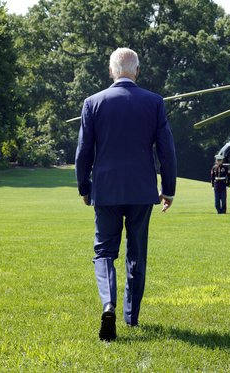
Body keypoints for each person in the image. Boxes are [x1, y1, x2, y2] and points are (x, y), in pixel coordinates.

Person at [75, 47, 177, 342]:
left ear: (111, 71)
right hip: (142, 189)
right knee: (137, 252)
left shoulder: (93, 103)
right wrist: (167, 188)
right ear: (137, 71)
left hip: (105, 188)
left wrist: (84, 186)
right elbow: (166, 150)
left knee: (104, 251)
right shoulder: (154, 102)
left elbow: (83, 151)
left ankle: (109, 303)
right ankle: (131, 317)